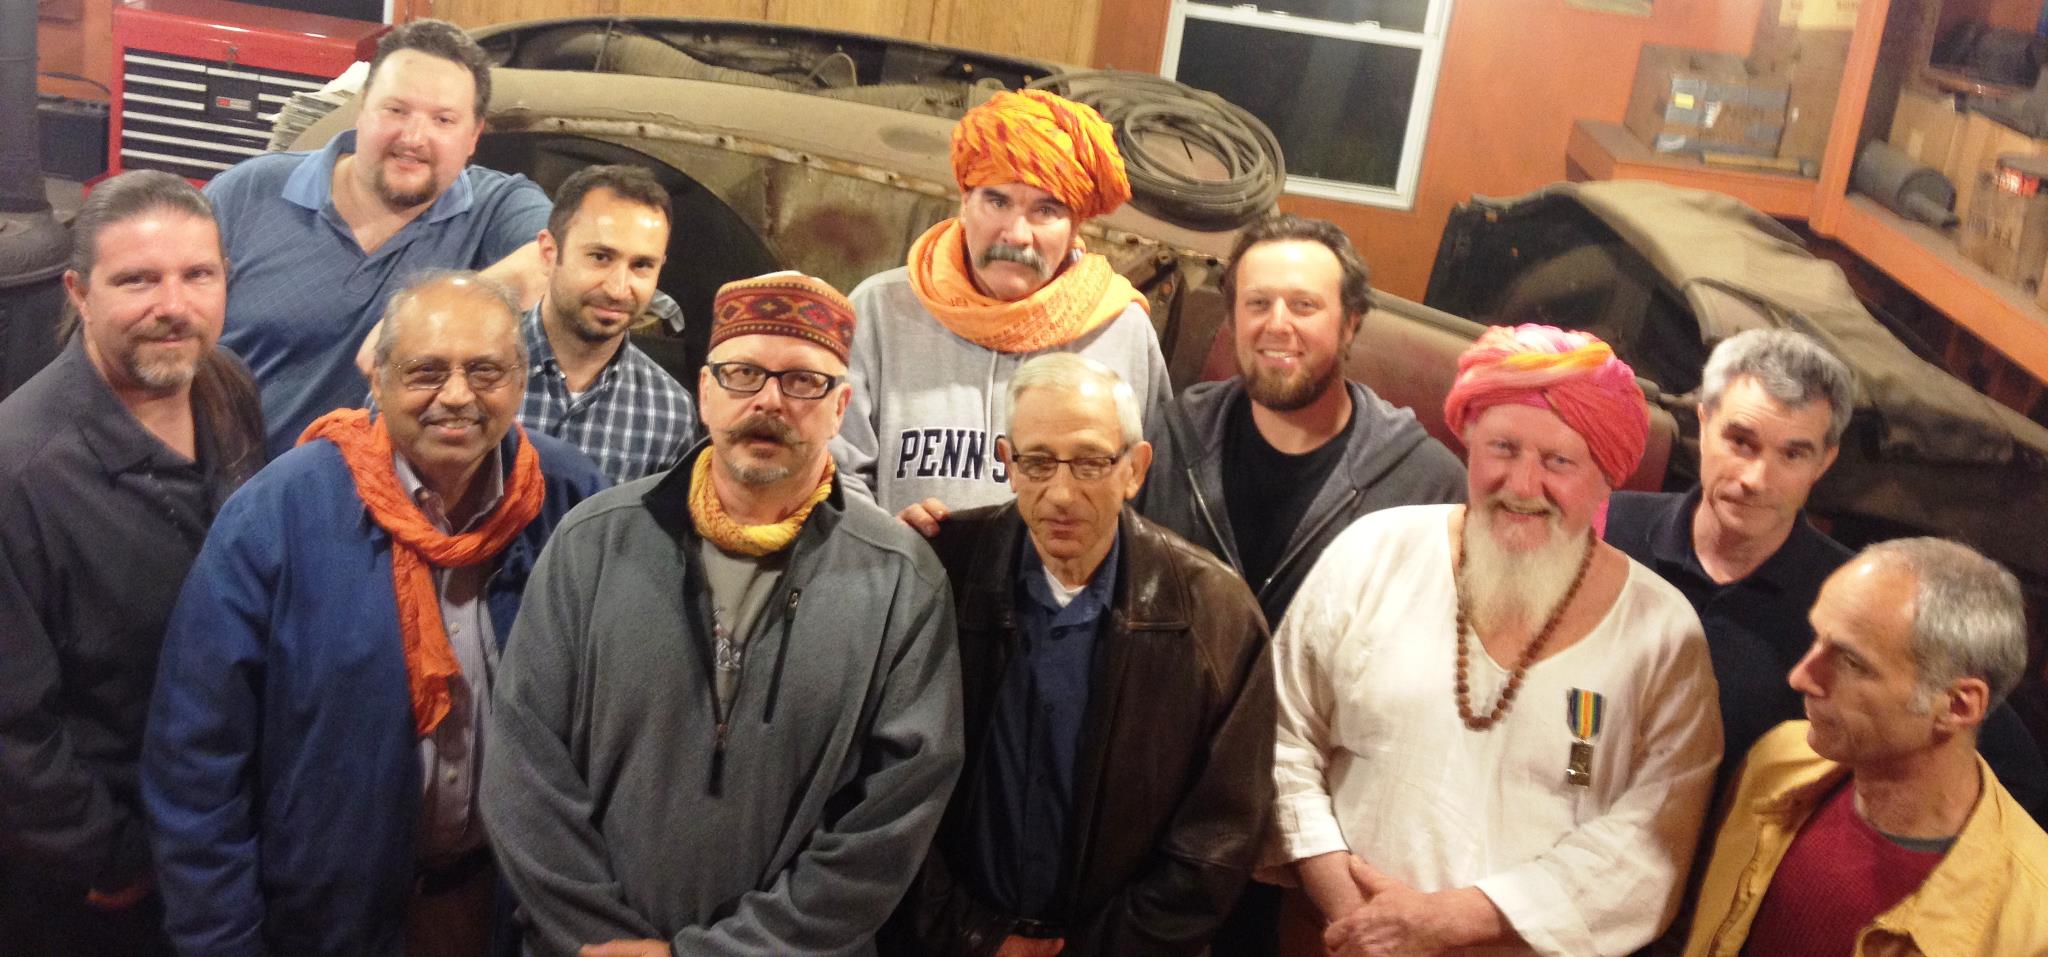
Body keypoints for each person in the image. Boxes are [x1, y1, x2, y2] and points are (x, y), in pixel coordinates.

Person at [482, 272, 962, 957]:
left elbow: (893, 813)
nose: (769, 400)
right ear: (705, 391)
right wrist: (593, 934)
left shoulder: (900, 581)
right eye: (742, 373)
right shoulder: (594, 543)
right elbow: (524, 760)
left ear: (840, 408)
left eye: (804, 381)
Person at [144, 272, 607, 956]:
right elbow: (196, 758)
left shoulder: (570, 501)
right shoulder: (279, 514)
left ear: (519, 381)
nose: (457, 395)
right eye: (426, 371)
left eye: (485, 371)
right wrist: (222, 941)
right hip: (327, 922)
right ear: (379, 379)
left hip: (510, 911)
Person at [1268, 325, 1722, 956]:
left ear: (1606, 476)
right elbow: (1281, 741)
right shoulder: (1374, 553)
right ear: (1470, 445)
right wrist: (1356, 919)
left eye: (1559, 461)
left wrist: (1449, 920)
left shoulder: (1662, 635)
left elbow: (1650, 841)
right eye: (1503, 448)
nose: (1523, 485)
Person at [885, 353, 1274, 956]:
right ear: (1007, 464)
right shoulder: (940, 572)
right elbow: (883, 787)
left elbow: (1217, 840)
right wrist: (975, 938)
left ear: (1135, 469)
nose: (1061, 493)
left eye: (1090, 461)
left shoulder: (1215, 615)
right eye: (1038, 461)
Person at [1605, 328, 2044, 812]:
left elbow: (2018, 779)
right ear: (1704, 424)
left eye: (1793, 454)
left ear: (1825, 461)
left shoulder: (1865, 607)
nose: (1757, 479)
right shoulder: (1608, 528)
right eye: (1742, 442)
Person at [0, 171, 263, 957]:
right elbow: (12, 723)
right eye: (138, 280)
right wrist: (106, 855)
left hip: (216, 831)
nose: (173, 305)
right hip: (95, 885)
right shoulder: (21, 472)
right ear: (79, 292)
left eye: (198, 275)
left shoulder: (227, 387)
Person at [1682, 538, 2048, 956]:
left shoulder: (2032, 923)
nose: (1801, 677)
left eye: (1852, 662)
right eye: (1816, 638)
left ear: (1957, 705)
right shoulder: (1780, 760)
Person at [206, 19, 553, 456]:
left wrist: (421, 318)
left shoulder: (495, 207)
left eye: (443, 119)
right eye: (396, 110)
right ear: (362, 107)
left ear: (473, 136)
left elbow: (563, 263)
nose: (413, 138)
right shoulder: (248, 193)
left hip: (390, 495)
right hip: (224, 484)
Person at [832, 89, 1171, 530]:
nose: (1017, 234)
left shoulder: (1121, 330)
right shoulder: (880, 311)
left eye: (1045, 210)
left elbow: (1152, 495)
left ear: (1075, 226)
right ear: (964, 203)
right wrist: (887, 538)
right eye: (997, 202)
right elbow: (831, 474)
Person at [1145, 213, 1465, 624]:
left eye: (1304, 305)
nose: (1277, 324)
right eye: (1258, 303)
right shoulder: (1170, 441)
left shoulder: (1428, 488)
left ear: (1350, 326)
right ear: (1234, 320)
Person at [519, 163, 696, 482]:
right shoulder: (470, 371)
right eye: (600, 257)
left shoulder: (669, 412)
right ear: (548, 253)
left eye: (641, 265)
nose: (617, 289)